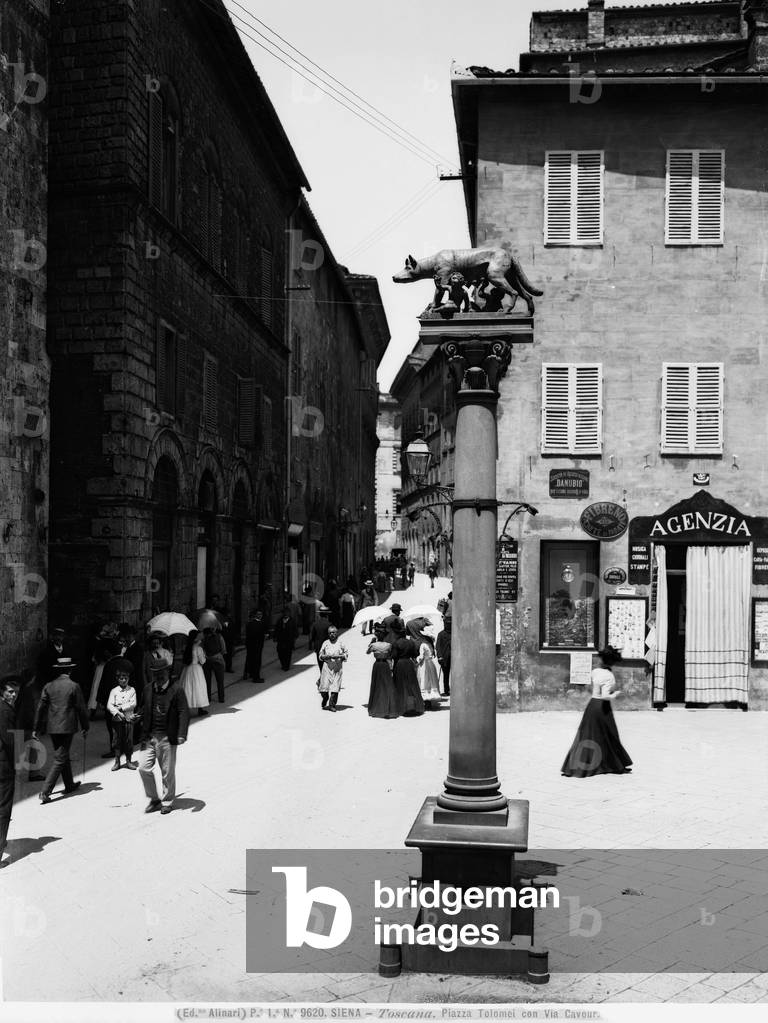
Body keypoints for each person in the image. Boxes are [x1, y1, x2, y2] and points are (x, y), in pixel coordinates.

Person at [561, 646, 633, 778]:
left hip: (592, 705)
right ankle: (614, 764)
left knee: (586, 736)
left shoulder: (595, 672)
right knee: (609, 735)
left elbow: (591, 688)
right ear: (612, 662)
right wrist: (615, 694)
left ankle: (576, 765)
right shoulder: (609, 676)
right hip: (603, 707)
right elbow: (605, 696)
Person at [33, 657, 89, 803]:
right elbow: (81, 708)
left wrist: (36, 727)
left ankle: (69, 784)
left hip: (52, 727)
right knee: (60, 758)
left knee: (62, 754)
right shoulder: (73, 686)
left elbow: (40, 708)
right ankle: (45, 792)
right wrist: (85, 726)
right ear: (70, 670)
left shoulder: (48, 686)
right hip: (67, 727)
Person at [138, 661, 189, 814]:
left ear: (167, 672)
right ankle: (154, 799)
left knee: (167, 771)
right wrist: (137, 716)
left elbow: (183, 712)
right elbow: (143, 708)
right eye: (155, 674)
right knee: (143, 767)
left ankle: (167, 801)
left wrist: (181, 734)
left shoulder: (177, 689)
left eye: (161, 673)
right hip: (149, 737)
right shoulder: (148, 689)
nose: (158, 677)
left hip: (167, 737)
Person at [0, 677, 21, 867]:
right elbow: (10, 740)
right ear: (2, 692)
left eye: (15, 692)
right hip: (4, 767)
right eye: (10, 692)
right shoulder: (6, 711)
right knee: (4, 809)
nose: (13, 695)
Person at [106, 659, 138, 770]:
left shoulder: (132, 690)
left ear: (128, 679)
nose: (123, 680)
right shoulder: (114, 691)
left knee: (128, 740)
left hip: (129, 718)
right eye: (121, 678)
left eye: (125, 678)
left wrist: (122, 707)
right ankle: (117, 761)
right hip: (117, 720)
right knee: (117, 740)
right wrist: (117, 712)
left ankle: (129, 761)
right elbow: (109, 705)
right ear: (117, 679)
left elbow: (133, 703)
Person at [366, 624, 399, 719]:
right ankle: (387, 706)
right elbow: (390, 655)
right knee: (386, 685)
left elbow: (367, 652)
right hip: (385, 665)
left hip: (377, 665)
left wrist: (371, 642)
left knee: (377, 685)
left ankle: (377, 706)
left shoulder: (373, 645)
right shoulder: (388, 645)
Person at [391, 623, 424, 716]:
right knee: (411, 684)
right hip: (409, 664)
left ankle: (401, 706)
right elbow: (415, 654)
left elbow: (394, 656)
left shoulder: (396, 643)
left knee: (400, 685)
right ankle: (413, 706)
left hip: (399, 664)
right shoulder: (410, 642)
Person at [409, 621, 441, 709]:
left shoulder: (423, 644)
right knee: (431, 681)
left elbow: (421, 656)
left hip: (424, 664)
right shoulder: (430, 644)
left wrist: (416, 663)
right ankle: (429, 701)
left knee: (424, 681)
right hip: (430, 664)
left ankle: (425, 701)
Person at [318, 626, 348, 712]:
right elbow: (320, 655)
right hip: (327, 666)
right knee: (324, 686)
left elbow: (346, 654)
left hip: (337, 666)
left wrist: (340, 656)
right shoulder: (325, 643)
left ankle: (332, 705)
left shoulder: (341, 643)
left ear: (337, 633)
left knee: (335, 686)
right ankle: (325, 697)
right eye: (330, 633)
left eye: (333, 632)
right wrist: (324, 656)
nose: (332, 634)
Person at [179, 631, 209, 717]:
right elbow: (202, 661)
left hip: (187, 669)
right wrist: (204, 655)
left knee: (188, 688)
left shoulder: (187, 647)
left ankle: (186, 709)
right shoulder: (198, 648)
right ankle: (200, 709)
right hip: (196, 669)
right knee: (198, 688)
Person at [201, 626, 226, 704]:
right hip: (218, 660)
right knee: (220, 680)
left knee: (207, 680)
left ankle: (208, 698)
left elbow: (202, 649)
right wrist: (218, 655)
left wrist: (207, 656)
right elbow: (223, 649)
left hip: (207, 660)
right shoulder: (219, 636)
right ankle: (221, 698)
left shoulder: (204, 637)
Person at [243, 609, 267, 682]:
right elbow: (259, 635)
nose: (260, 616)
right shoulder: (259, 624)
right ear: (256, 615)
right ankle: (256, 677)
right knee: (257, 661)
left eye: (261, 614)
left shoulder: (250, 623)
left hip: (251, 645)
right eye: (258, 614)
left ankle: (250, 673)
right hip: (257, 645)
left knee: (251, 660)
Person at [309, 605, 332, 679]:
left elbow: (311, 636)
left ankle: (323, 677)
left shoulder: (315, 624)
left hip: (318, 647)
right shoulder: (329, 624)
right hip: (327, 648)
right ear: (327, 615)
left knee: (320, 664)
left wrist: (311, 646)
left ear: (319, 614)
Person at [435, 616, 452, 697]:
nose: (448, 625)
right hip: (444, 658)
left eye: (449, 624)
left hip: (454, 658)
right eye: (447, 624)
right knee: (446, 675)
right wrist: (440, 656)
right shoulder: (441, 634)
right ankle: (446, 690)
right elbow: (438, 646)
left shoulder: (455, 633)